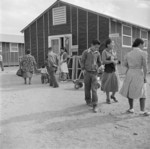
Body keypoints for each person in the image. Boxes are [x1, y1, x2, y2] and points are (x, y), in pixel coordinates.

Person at [120, 38, 149, 116]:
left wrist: (131, 67)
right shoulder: (143, 53)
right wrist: (145, 77)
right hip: (139, 72)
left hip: (130, 72)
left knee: (130, 90)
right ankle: (142, 111)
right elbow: (145, 66)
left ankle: (131, 108)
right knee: (142, 92)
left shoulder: (128, 53)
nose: (143, 46)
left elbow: (125, 64)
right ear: (140, 44)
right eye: (143, 45)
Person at [81, 39, 101, 113]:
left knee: (94, 88)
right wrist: (83, 69)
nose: (97, 49)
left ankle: (95, 103)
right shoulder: (86, 52)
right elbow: (82, 61)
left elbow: (99, 62)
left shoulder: (98, 53)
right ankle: (88, 100)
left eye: (98, 47)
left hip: (94, 73)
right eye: (95, 47)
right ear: (91, 45)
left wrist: (100, 67)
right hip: (87, 72)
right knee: (87, 87)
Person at [101, 38, 119, 104]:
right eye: (112, 43)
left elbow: (116, 59)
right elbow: (104, 61)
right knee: (107, 84)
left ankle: (113, 96)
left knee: (116, 84)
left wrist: (116, 62)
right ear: (108, 45)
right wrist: (111, 61)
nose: (113, 44)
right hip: (107, 71)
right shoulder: (104, 52)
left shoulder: (113, 51)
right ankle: (107, 98)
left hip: (114, 70)